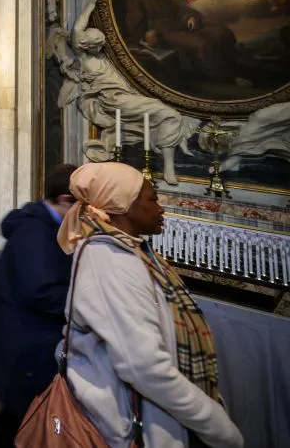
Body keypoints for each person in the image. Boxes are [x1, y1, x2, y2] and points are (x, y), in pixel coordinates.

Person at [57, 163, 243, 448]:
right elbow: (142, 365)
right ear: (123, 204)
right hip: (127, 426)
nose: (161, 208)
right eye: (152, 199)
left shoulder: (133, 253)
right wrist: (218, 426)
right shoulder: (108, 259)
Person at [0, 164, 78, 448]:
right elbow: (40, 291)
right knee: (16, 429)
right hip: (21, 350)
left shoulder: (47, 225)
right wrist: (91, 304)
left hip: (24, 347)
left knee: (15, 427)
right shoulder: (35, 230)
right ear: (66, 200)